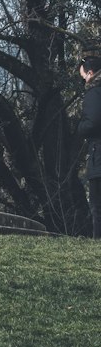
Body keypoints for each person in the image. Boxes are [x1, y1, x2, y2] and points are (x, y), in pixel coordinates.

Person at [77, 53, 101, 238]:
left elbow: (91, 122)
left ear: (91, 73)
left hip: (98, 154)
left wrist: (80, 127)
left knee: (97, 204)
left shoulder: (94, 92)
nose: (83, 80)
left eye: (83, 76)